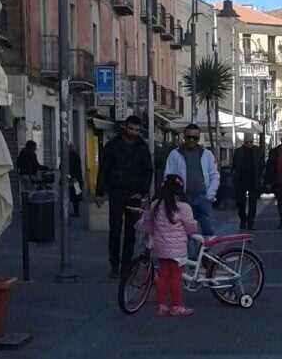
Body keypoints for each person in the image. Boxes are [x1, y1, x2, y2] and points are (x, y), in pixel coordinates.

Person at [95, 115, 153, 278]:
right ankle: (114, 264)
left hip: (134, 194)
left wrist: (142, 192)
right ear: (125, 128)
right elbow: (104, 169)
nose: (134, 132)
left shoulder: (142, 147)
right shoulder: (112, 146)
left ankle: (126, 266)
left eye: (136, 130)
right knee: (114, 229)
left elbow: (148, 171)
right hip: (116, 191)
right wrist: (99, 192)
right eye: (131, 129)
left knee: (130, 232)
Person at [136, 175, 198, 317]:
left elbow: (150, 225)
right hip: (177, 250)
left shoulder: (156, 205)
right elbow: (191, 227)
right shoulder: (183, 207)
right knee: (176, 277)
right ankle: (176, 305)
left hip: (161, 249)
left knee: (162, 277)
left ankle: (161, 305)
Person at [164, 123, 220, 260]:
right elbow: (168, 175)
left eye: (195, 138)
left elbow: (214, 175)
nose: (191, 140)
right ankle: (193, 261)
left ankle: (205, 256)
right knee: (189, 232)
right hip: (184, 200)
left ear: (199, 138)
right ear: (184, 136)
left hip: (203, 197)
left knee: (209, 231)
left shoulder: (206, 154)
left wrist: (210, 195)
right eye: (189, 137)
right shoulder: (175, 154)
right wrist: (175, 196)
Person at [231, 132, 262, 231]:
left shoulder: (258, 151)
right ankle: (243, 219)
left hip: (253, 180)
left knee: (253, 203)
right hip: (241, 180)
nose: (249, 144)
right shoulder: (238, 151)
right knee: (240, 203)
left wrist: (259, 175)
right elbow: (234, 164)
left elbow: (262, 164)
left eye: (251, 142)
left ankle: (250, 223)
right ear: (243, 142)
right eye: (247, 142)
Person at [68, 144, 83, 218]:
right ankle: (76, 212)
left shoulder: (72, 157)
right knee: (76, 196)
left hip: (75, 179)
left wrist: (70, 177)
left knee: (75, 196)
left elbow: (71, 168)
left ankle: (76, 213)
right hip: (77, 179)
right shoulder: (75, 156)